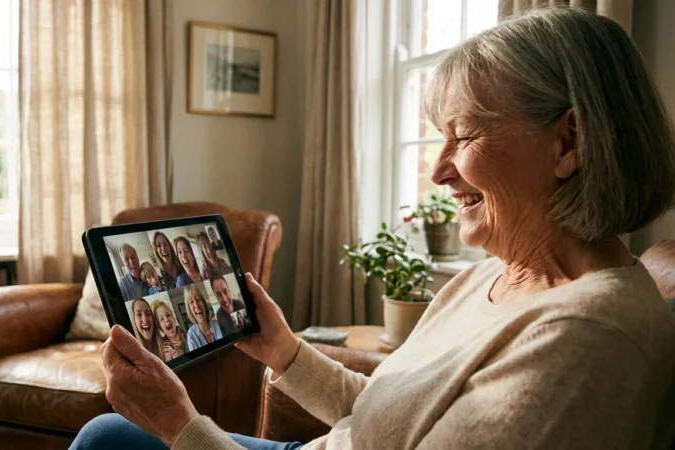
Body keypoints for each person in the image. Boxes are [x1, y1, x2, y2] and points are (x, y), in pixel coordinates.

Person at [72, 9, 675, 450]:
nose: (439, 170)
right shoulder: (488, 277)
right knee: (107, 435)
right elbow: (390, 412)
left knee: (108, 440)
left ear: (568, 141)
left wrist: (182, 426)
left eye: (464, 136)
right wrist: (284, 351)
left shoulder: (585, 336)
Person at [183, 284, 223, 351]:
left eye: (198, 299)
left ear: (204, 303)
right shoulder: (191, 335)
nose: (196, 305)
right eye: (191, 302)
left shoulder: (219, 324)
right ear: (189, 309)